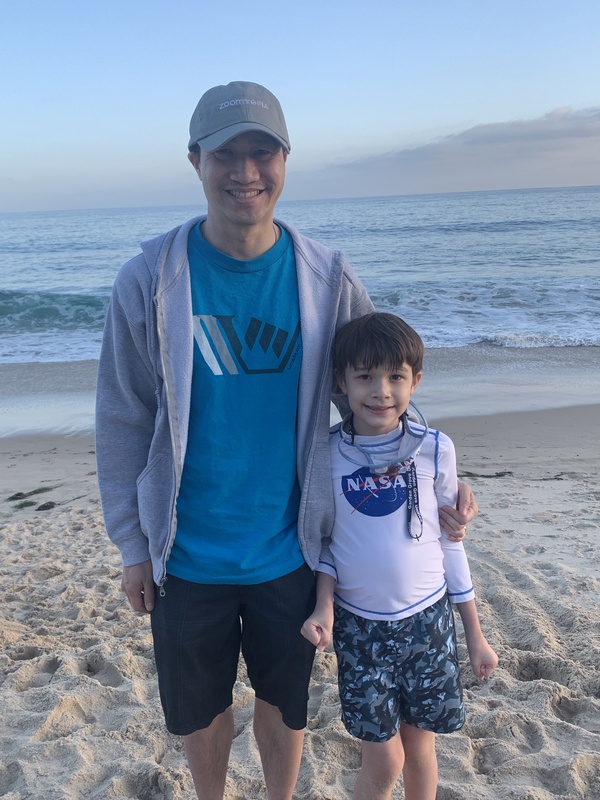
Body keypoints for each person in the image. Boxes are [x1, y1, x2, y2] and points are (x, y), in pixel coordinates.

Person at [95, 82, 478, 800]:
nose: (245, 172)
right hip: (186, 550)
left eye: (262, 152)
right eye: (226, 155)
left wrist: (433, 475)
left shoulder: (327, 278)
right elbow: (123, 415)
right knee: (200, 709)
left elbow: (377, 391)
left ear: (285, 160)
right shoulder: (149, 279)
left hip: (292, 543)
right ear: (195, 161)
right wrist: (132, 545)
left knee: (284, 700)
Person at [301, 312, 498, 800]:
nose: (380, 391)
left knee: (421, 749)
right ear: (341, 383)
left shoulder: (436, 448)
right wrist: (323, 606)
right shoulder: (326, 453)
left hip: (428, 622)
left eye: (396, 377)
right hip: (360, 629)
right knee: (384, 757)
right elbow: (327, 544)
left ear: (416, 381)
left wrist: (474, 634)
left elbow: (452, 541)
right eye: (364, 376)